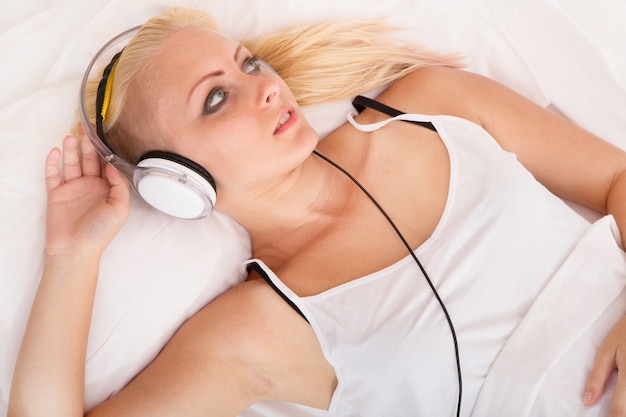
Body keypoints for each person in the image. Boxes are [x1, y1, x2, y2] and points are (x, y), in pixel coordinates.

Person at [8, 5, 626, 417]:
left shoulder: (430, 106)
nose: (268, 85)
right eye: (217, 98)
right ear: (177, 183)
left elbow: (617, 178)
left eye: (247, 62)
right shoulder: (255, 333)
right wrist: (71, 259)